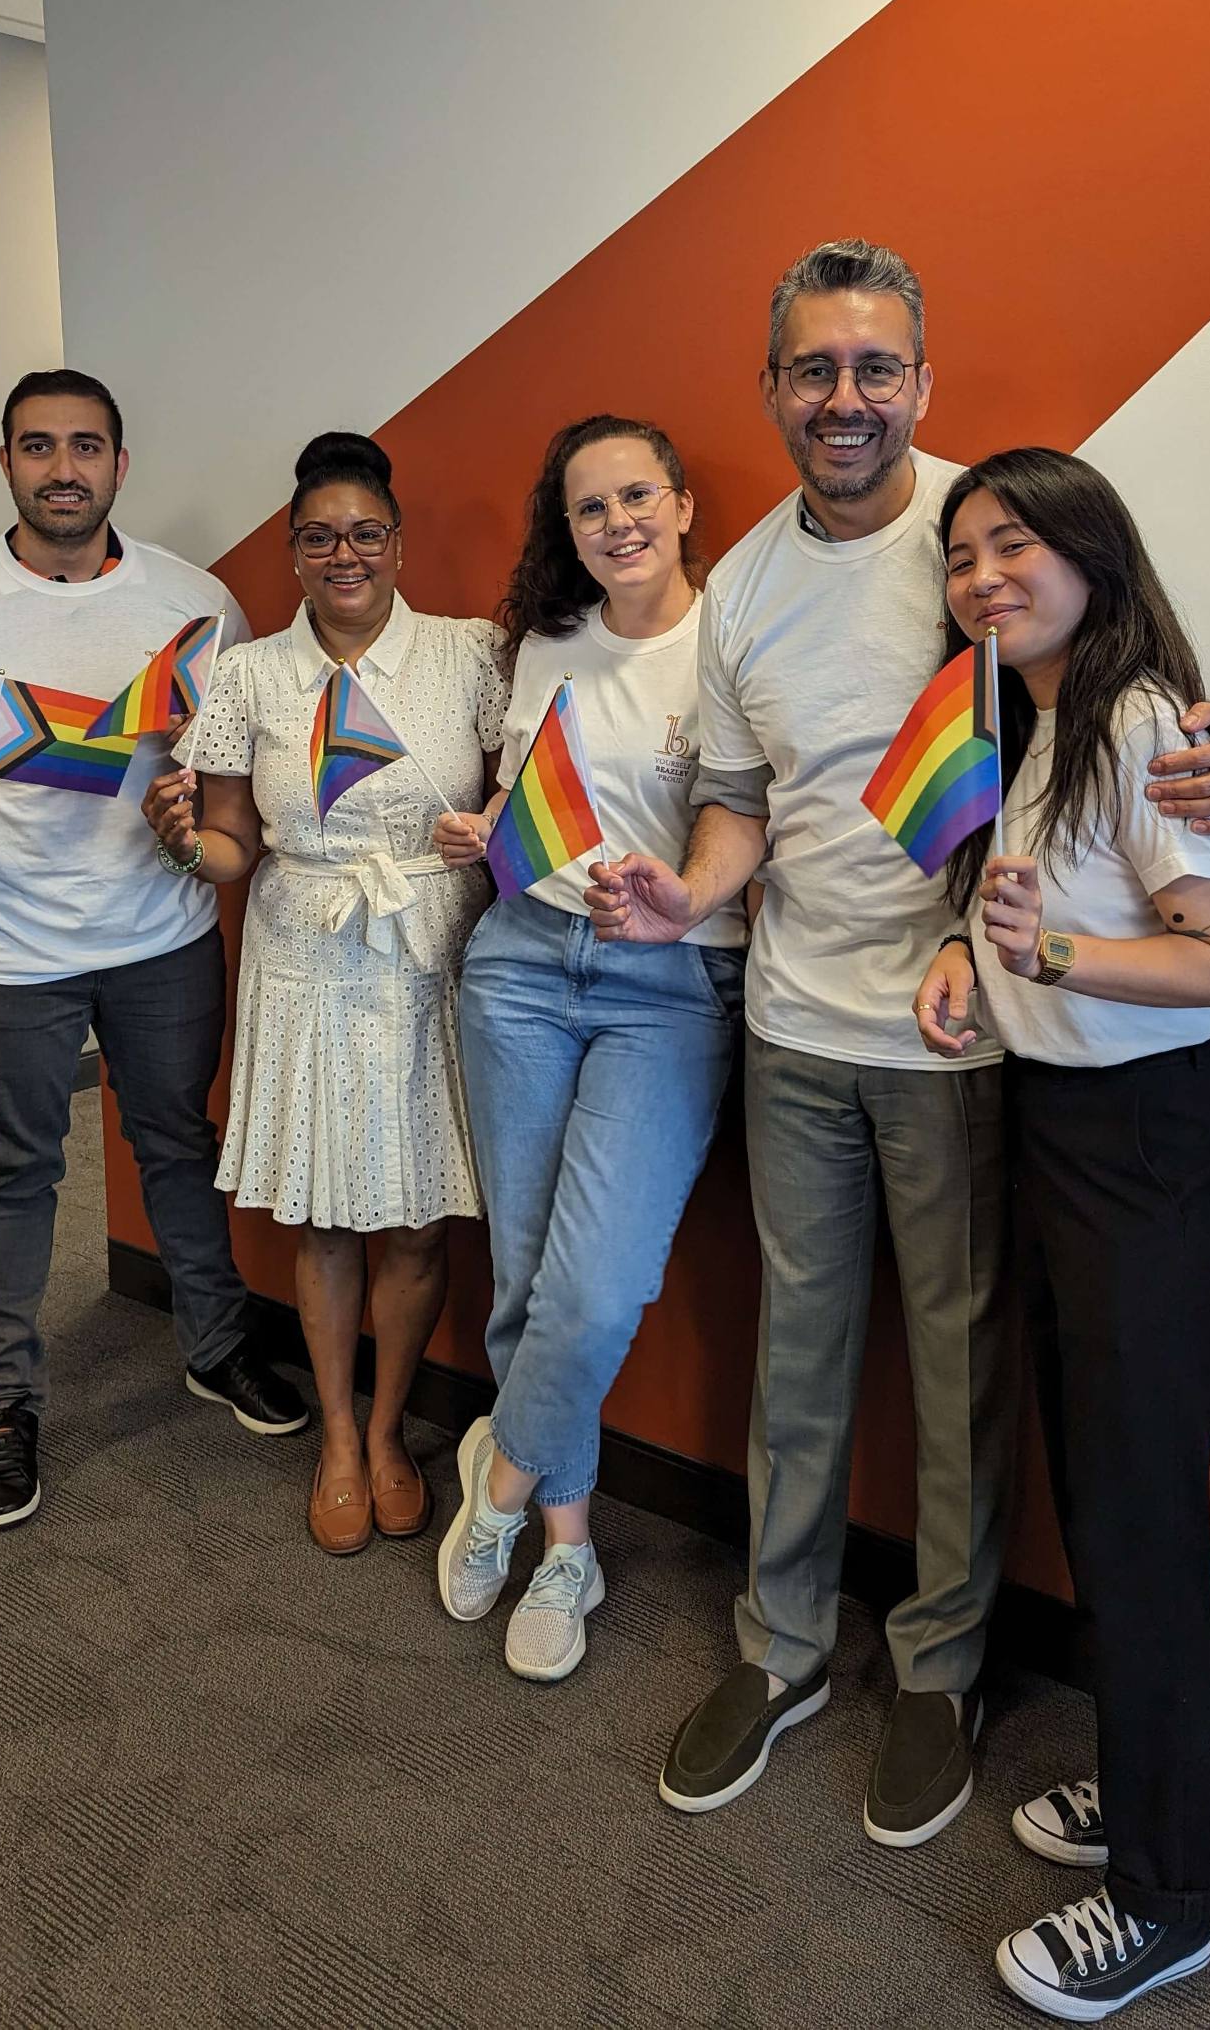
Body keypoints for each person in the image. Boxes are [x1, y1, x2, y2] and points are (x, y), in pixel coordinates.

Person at [587, 239, 1210, 1843]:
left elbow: (1126, 694)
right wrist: (676, 900)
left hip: (969, 1045)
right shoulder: (744, 584)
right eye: (813, 370)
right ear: (771, 390)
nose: (845, 398)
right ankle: (780, 1649)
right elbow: (741, 810)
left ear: (921, 379)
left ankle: (941, 1667)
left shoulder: (991, 534)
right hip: (795, 1029)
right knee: (800, 1359)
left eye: (874, 367)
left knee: (966, 1376)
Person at [916, 448, 1210, 2021]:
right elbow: (1026, 935)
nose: (985, 575)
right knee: (1105, 1493)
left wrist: (1050, 947)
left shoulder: (1146, 721)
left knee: (1136, 1518)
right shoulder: (1031, 717)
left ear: (1092, 554)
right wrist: (973, 969)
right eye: (963, 554)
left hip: (1153, 1151)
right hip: (1061, 1133)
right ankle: (1154, 1787)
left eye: (1017, 544)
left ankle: (1169, 1894)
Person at [0, 369, 306, 1535]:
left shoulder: (195, 603)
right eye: (39, 447)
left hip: (163, 939)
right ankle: (4, 1406)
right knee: (13, 1171)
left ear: (119, 465)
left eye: (85, 447)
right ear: (5, 462)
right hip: (8, 951)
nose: (63, 469)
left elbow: (230, 772)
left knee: (177, 1140)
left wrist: (193, 803)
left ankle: (215, 1345)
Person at [146, 431, 507, 1556]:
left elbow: (529, 816)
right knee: (326, 1212)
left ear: (397, 545)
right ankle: (339, 1439)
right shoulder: (249, 675)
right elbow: (232, 851)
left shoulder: (471, 655)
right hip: (303, 954)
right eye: (318, 538)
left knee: (413, 1215)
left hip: (429, 948)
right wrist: (181, 842)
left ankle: (395, 1430)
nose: (342, 553)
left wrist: (487, 838)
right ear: (295, 556)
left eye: (363, 534)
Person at [430, 416, 745, 1680]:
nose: (615, 523)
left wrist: (690, 895)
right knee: (523, 1273)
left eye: (635, 497)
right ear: (566, 532)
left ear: (681, 506)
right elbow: (532, 800)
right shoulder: (548, 645)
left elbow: (750, 820)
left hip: (668, 991)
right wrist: (486, 829)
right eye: (587, 508)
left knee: (597, 1286)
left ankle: (500, 1479)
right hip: (517, 964)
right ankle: (570, 1543)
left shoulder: (732, 642)